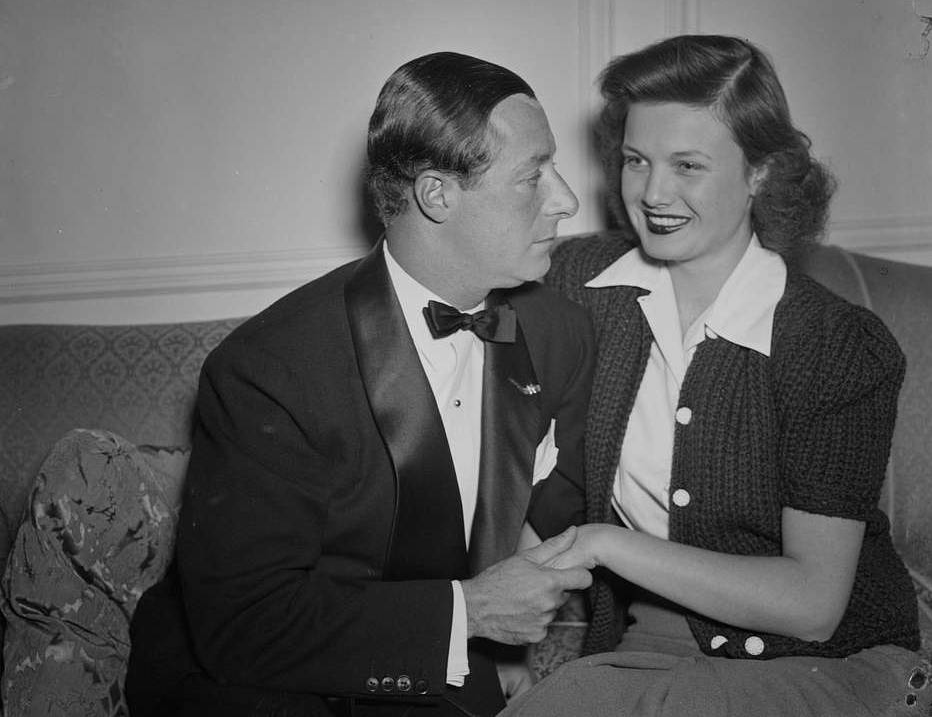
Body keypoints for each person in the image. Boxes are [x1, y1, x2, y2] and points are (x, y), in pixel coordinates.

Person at [125, 51, 596, 717]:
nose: (567, 199)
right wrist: (471, 615)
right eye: (532, 176)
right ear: (437, 195)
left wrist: (501, 642)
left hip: (447, 674)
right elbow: (243, 622)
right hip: (268, 685)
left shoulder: (560, 333)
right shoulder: (269, 368)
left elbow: (550, 509)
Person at [501, 35, 931, 716]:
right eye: (636, 160)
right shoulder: (579, 284)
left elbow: (813, 605)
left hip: (832, 663)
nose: (652, 193)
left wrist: (603, 543)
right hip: (656, 646)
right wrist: (504, 640)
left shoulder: (834, 344)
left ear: (761, 171)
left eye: (688, 165)